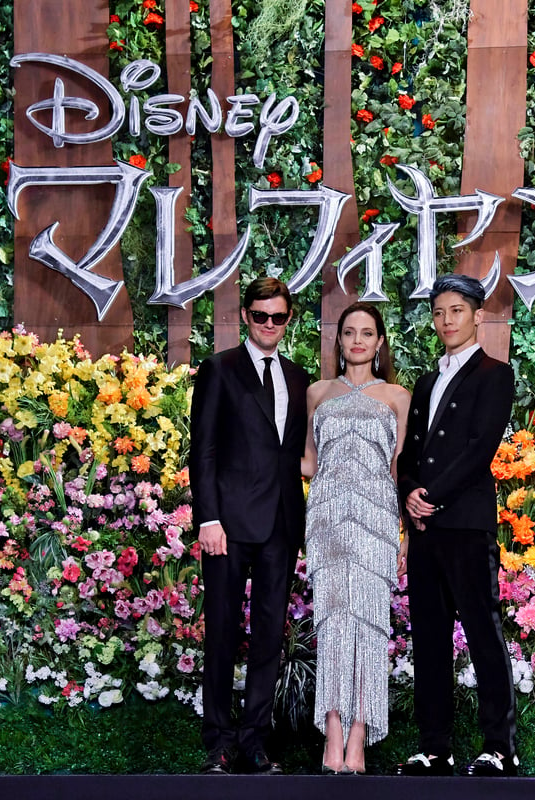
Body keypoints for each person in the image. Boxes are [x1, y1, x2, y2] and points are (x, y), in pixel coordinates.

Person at [395, 274, 518, 777]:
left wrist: (432, 496)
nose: (447, 321)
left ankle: (500, 748)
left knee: (483, 632)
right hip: (425, 531)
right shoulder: (425, 382)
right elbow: (411, 452)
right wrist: (408, 493)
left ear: (477, 316)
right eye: (440, 312)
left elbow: (479, 450)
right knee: (428, 638)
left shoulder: (495, 374)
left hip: (465, 523)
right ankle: (435, 747)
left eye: (457, 311)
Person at [189, 277, 311, 775]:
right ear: (244, 315)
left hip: (281, 524)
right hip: (229, 526)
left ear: (288, 320)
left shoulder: (300, 377)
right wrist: (208, 518)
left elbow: (298, 454)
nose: (268, 325)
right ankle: (218, 740)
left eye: (277, 317)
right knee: (221, 631)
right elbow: (204, 450)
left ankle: (255, 740)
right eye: (259, 316)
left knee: (267, 636)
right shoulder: (220, 368)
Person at [301, 302, 411, 775]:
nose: (359, 340)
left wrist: (405, 532)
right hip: (325, 520)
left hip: (377, 522)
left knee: (368, 627)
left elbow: (399, 469)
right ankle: (331, 732)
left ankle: (359, 735)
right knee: (331, 626)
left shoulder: (397, 396)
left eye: (368, 332)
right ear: (339, 340)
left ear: (380, 341)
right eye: (350, 332)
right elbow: (307, 462)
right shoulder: (316, 393)